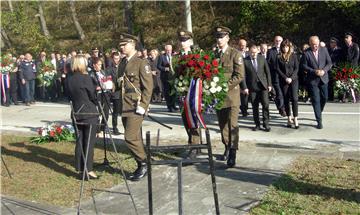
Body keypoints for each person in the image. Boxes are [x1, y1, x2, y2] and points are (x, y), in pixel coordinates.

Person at [117, 33, 153, 181]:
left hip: (136, 105)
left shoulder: (141, 62)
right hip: (125, 105)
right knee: (135, 137)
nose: (121, 48)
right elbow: (121, 83)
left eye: (124, 45)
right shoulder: (122, 62)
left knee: (129, 137)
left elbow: (148, 87)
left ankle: (144, 163)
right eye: (120, 46)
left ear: (132, 44)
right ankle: (141, 165)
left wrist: (144, 105)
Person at [213, 26, 245, 168]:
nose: (219, 39)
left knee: (232, 125)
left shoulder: (235, 54)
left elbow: (239, 75)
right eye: (217, 37)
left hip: (231, 96)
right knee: (222, 125)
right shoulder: (213, 54)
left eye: (221, 37)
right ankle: (226, 146)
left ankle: (232, 152)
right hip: (218, 97)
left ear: (227, 38)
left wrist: (225, 86)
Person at [66, 55, 99, 180]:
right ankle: (88, 170)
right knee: (88, 142)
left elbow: (68, 96)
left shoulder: (69, 79)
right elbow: (92, 95)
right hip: (89, 112)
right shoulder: (85, 78)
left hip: (76, 111)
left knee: (80, 141)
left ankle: (80, 167)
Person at [302, 36, 332, 129]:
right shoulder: (306, 53)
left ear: (319, 42)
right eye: (313, 45)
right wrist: (314, 71)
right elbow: (303, 66)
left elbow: (329, 63)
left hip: (323, 78)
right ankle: (319, 120)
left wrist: (324, 71)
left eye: (317, 44)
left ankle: (320, 110)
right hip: (313, 80)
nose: (315, 46)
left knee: (325, 97)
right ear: (310, 44)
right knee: (316, 100)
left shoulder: (324, 50)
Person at [241, 45, 272, 132]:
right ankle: (257, 124)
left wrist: (269, 84)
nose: (253, 54)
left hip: (263, 86)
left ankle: (266, 124)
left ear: (257, 52)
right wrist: (245, 87)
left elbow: (267, 72)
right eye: (252, 52)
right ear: (249, 52)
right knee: (255, 106)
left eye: (255, 52)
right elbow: (243, 75)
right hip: (252, 87)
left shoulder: (262, 58)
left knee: (265, 104)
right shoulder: (245, 61)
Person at [276, 39, 300, 129]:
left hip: (293, 80)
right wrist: (285, 78)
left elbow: (297, 68)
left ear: (289, 47)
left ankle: (296, 118)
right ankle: (289, 118)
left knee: (294, 98)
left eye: (287, 47)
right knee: (286, 99)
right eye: (283, 46)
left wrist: (291, 78)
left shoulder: (294, 56)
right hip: (284, 80)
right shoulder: (279, 57)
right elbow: (278, 69)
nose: (285, 48)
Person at [267, 35, 285, 116]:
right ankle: (281, 108)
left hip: (284, 75)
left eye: (280, 40)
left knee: (282, 93)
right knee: (278, 93)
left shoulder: (285, 50)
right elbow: (268, 63)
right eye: (276, 41)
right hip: (275, 75)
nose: (278, 42)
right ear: (274, 41)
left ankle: (281, 107)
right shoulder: (270, 51)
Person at [157, 44, 178, 112]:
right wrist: (164, 68)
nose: (169, 51)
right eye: (167, 50)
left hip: (174, 77)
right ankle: (169, 106)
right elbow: (158, 66)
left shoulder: (174, 56)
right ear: (165, 50)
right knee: (167, 92)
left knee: (174, 92)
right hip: (165, 77)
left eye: (170, 50)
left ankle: (173, 105)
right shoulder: (161, 57)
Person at [107, 52, 122, 135]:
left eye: (118, 58)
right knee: (114, 112)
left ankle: (120, 126)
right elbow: (108, 79)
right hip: (112, 92)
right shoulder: (109, 69)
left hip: (120, 92)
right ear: (112, 59)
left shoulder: (122, 67)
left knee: (119, 111)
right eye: (115, 58)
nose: (117, 60)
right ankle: (114, 127)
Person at [238, 39, 250, 117]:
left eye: (244, 45)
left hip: (249, 76)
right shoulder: (236, 53)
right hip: (241, 76)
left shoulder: (249, 53)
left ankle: (245, 107)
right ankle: (244, 110)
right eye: (241, 45)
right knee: (243, 94)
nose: (243, 47)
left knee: (248, 94)